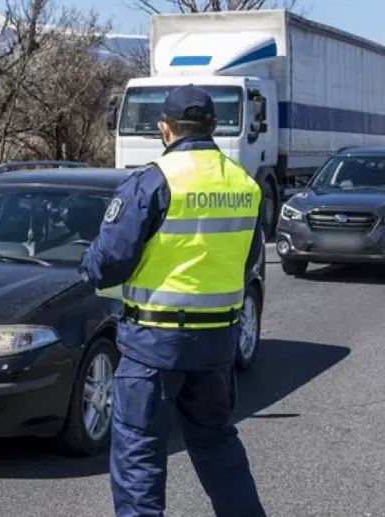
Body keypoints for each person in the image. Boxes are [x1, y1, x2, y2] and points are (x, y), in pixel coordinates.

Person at [79, 84, 267, 517]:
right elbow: (249, 257)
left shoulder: (153, 181)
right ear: (214, 127)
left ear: (164, 129)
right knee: (217, 443)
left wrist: (87, 265)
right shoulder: (244, 184)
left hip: (153, 344)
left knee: (139, 456)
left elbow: (109, 263)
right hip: (218, 344)